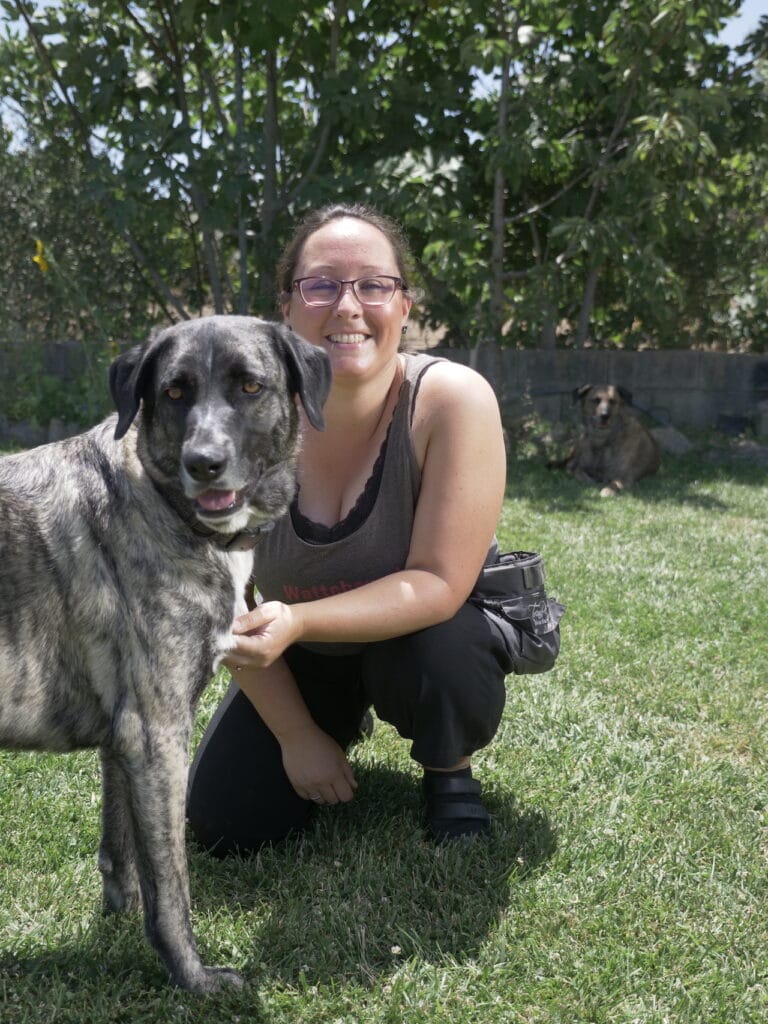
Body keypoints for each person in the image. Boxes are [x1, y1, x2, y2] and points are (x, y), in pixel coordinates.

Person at [187, 203, 559, 854]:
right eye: (322, 284)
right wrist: (298, 737)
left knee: (443, 648)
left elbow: (439, 585)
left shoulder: (451, 400)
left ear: (404, 306)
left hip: (422, 634)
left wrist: (299, 620)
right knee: (228, 823)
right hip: (297, 653)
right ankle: (332, 720)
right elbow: (232, 607)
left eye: (374, 285)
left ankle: (449, 771)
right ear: (288, 307)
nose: (348, 306)